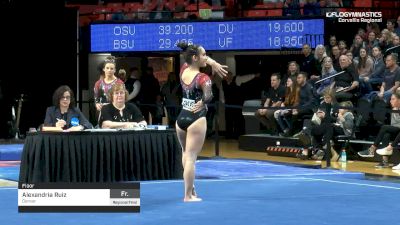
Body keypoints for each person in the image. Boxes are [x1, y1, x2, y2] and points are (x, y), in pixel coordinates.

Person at [175, 42, 227, 202]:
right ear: (195, 57)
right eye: (204, 55)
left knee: (186, 154)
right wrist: (204, 101)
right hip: (196, 119)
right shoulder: (202, 78)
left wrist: (212, 62)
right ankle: (188, 195)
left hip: (181, 118)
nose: (206, 57)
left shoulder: (183, 70)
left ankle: (190, 188)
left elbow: (191, 56)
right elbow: (209, 95)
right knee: (191, 158)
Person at [358, 91, 400, 168]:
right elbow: (386, 105)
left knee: (384, 127)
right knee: (386, 135)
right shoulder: (393, 109)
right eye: (390, 99)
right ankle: (385, 162)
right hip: (396, 131)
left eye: (393, 99)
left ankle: (372, 149)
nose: (391, 101)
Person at [93, 56, 124, 122]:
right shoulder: (98, 83)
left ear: (115, 70)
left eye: (111, 68)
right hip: (102, 113)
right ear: (104, 69)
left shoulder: (119, 83)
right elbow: (96, 99)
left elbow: (123, 99)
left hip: (116, 111)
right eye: (107, 68)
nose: (109, 70)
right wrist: (97, 105)